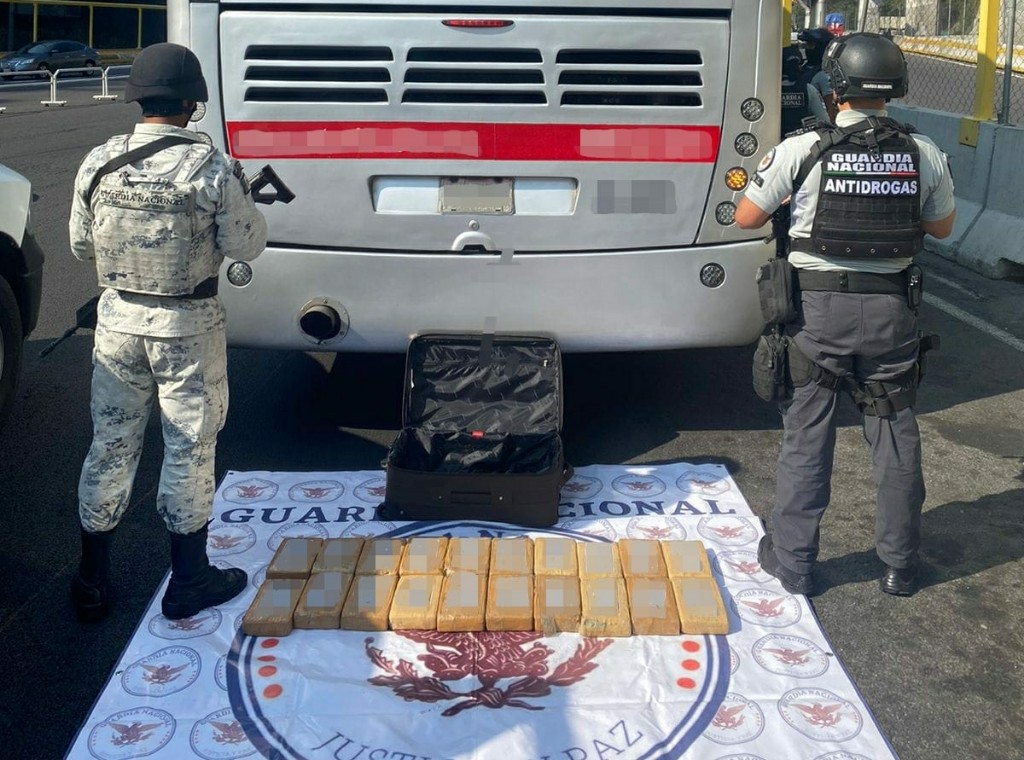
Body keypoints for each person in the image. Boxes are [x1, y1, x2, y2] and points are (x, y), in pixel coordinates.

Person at [735, 33, 956, 598]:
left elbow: (745, 217)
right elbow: (942, 228)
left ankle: (795, 562)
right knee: (895, 433)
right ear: (896, 87)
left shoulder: (802, 148)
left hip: (816, 312)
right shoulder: (922, 151)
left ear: (836, 87)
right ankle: (901, 566)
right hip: (891, 311)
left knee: (807, 433)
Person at [69, 42, 268, 622]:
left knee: (109, 446)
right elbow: (246, 244)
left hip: (117, 323)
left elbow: (82, 245)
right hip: (186, 326)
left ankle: (89, 581)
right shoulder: (214, 168)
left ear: (137, 98)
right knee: (188, 447)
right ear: (192, 101)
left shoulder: (98, 160)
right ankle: (189, 580)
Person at [798, 27, 837, 124]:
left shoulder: (824, 75)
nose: (807, 49)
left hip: (816, 126)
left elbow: (830, 107)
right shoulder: (804, 68)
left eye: (811, 45)